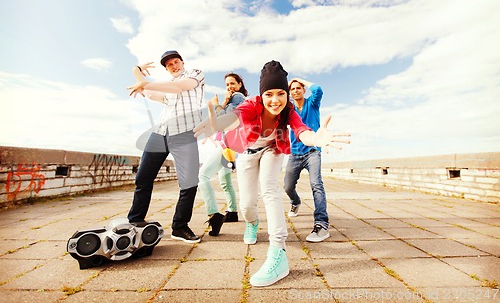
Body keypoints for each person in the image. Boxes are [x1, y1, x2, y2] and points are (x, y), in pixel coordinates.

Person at [194, 60, 350, 287]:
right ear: (261, 95)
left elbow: (302, 130)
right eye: (269, 94)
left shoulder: (288, 110)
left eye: (280, 93)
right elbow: (234, 119)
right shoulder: (250, 105)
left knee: (270, 190)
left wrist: (315, 138)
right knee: (247, 204)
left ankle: (278, 252)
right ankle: (252, 223)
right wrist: (218, 123)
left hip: (273, 149)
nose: (275, 100)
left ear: (286, 94)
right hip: (248, 151)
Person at [126, 50, 205, 244]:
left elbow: (179, 87)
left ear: (182, 62)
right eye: (169, 65)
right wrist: (136, 71)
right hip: (160, 133)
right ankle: (135, 220)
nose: (174, 66)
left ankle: (179, 226)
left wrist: (144, 81)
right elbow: (150, 93)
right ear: (167, 69)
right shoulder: (166, 89)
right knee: (143, 177)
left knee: (188, 183)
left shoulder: (195, 74)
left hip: (184, 134)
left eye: (176, 62)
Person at [198, 72, 249, 236]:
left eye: (233, 83)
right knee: (225, 180)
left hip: (229, 144)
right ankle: (232, 212)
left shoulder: (238, 96)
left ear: (240, 84)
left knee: (203, 175)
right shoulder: (235, 98)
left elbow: (227, 120)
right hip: (227, 145)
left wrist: (218, 105)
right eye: (227, 85)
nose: (230, 87)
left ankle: (214, 215)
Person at [284, 78, 330, 242]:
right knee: (287, 186)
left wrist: (299, 79)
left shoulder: (312, 103)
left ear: (303, 90)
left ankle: (322, 224)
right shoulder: (290, 108)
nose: (295, 90)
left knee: (316, 184)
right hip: (295, 153)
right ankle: (295, 202)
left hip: (313, 152)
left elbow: (318, 89)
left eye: (298, 88)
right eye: (292, 89)